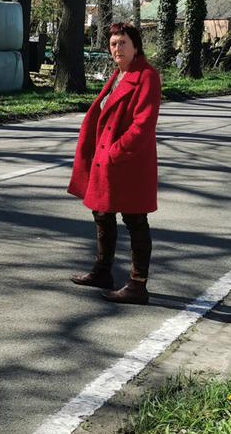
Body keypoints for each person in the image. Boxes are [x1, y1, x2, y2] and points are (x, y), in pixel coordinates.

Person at [67, 22, 162, 305]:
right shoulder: (119, 74)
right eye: (113, 44)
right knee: (101, 212)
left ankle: (137, 284)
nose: (117, 48)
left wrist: (114, 153)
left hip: (129, 162)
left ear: (136, 46)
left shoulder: (147, 77)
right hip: (108, 159)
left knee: (135, 220)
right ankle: (102, 271)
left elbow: (143, 125)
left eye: (122, 43)